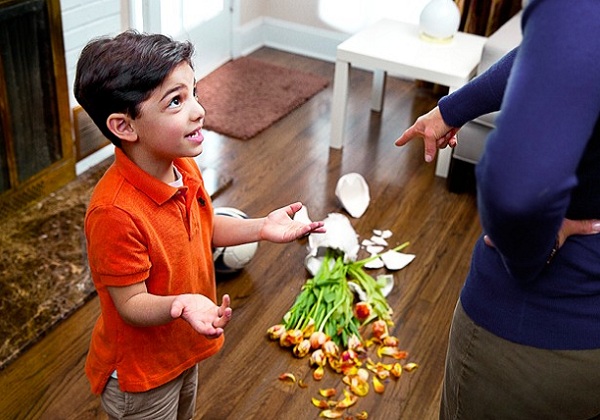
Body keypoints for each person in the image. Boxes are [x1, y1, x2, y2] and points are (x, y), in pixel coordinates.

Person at [74, 30, 325, 419]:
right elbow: (131, 304)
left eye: (194, 91)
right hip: (142, 376)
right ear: (125, 127)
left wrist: (261, 227)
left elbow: (203, 229)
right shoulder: (114, 213)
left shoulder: (183, 166)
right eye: (176, 101)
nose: (198, 110)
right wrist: (181, 304)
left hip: (182, 346)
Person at [396, 1, 600, 418]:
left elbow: (515, 190)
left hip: (544, 338)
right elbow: (561, 53)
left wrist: (533, 256)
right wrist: (452, 108)